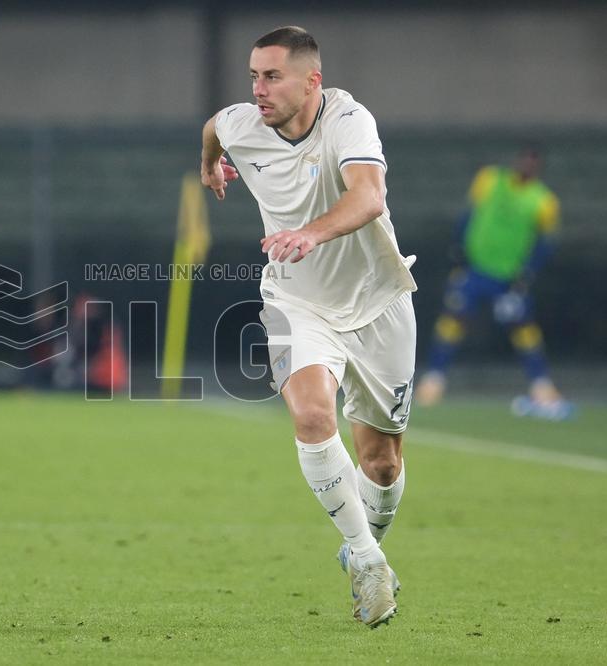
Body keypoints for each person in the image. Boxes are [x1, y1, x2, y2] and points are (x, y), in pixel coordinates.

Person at [200, 26, 417, 627]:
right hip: (297, 300)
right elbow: (216, 127)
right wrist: (210, 165)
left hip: (378, 302)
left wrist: (311, 232)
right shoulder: (243, 122)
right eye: (252, 75)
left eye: (272, 76)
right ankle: (369, 562)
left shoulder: (350, 121)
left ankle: (361, 541)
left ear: (311, 81)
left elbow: (369, 197)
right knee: (314, 416)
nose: (258, 89)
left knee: (382, 464)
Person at [416, 148, 572, 419]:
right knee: (453, 319)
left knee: (523, 327)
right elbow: (468, 215)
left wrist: (528, 272)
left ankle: (541, 385)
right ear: (516, 161)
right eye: (523, 159)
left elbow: (545, 243)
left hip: (508, 278)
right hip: (475, 270)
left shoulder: (544, 201)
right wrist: (458, 251)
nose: (526, 165)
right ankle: (434, 380)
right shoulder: (490, 179)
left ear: (538, 168)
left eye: (532, 163)